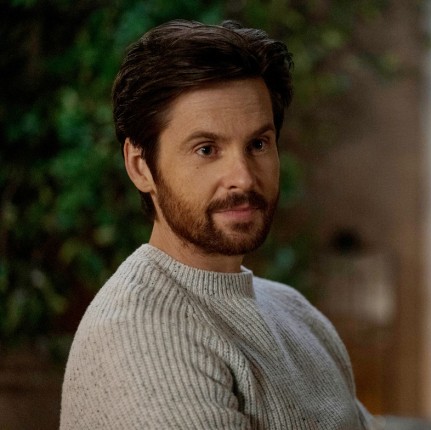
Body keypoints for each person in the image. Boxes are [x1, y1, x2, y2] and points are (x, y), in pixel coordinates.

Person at [60, 19, 380, 429]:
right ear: (140, 167)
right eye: (207, 149)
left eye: (258, 144)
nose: (243, 178)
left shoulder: (294, 312)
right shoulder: (139, 335)